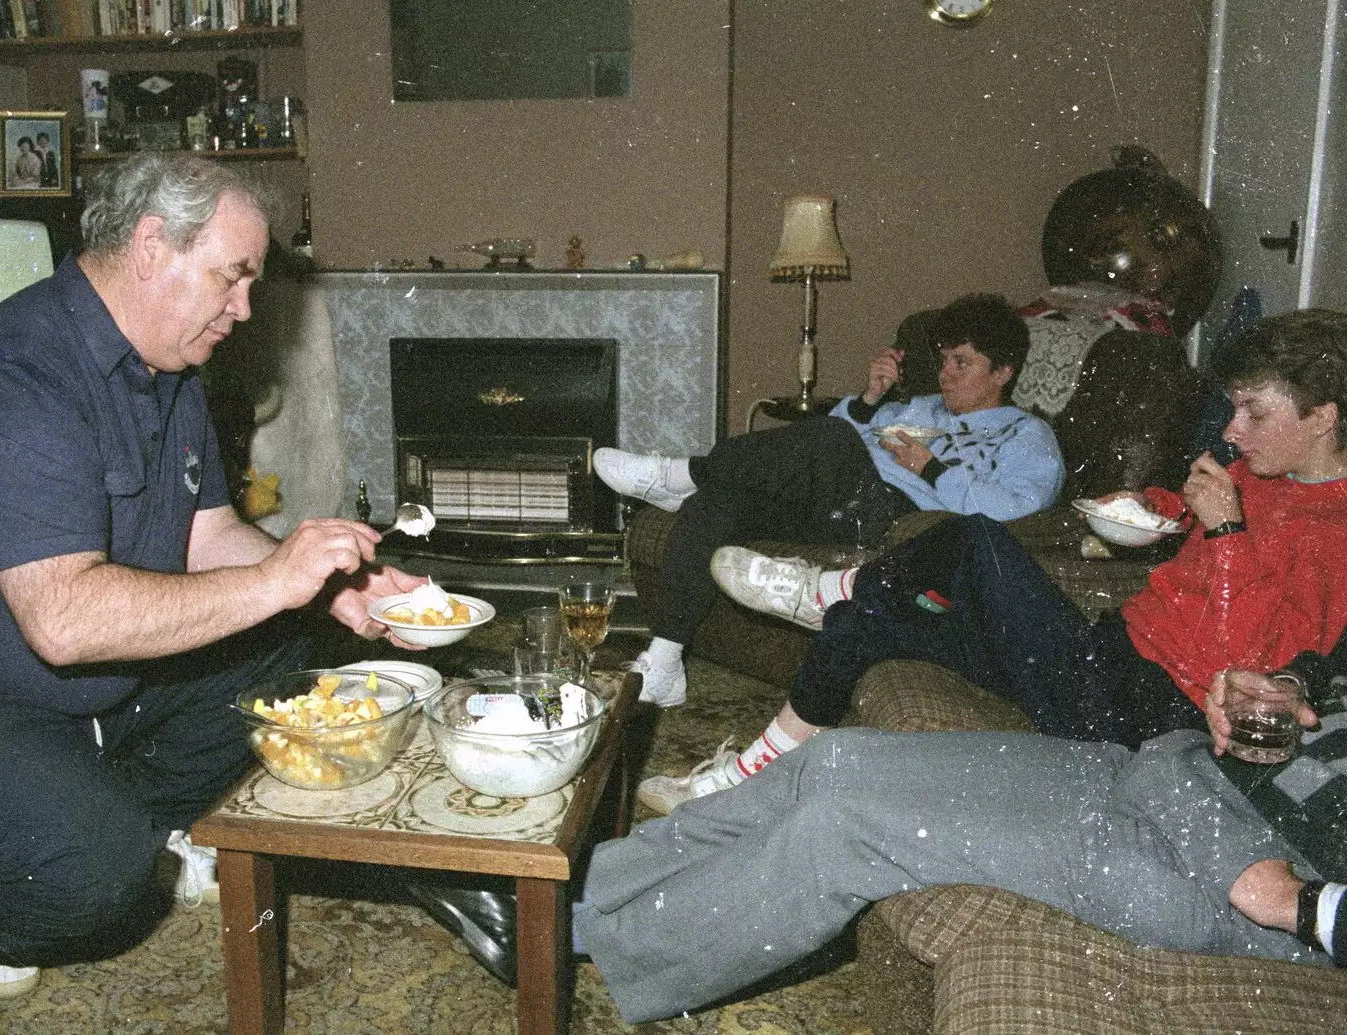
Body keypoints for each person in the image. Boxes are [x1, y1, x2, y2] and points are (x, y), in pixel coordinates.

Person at [0, 153, 431, 1001]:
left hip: (79, 693)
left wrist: (335, 589)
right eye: (232, 277)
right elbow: (64, 620)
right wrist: (278, 579)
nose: (246, 308)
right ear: (150, 247)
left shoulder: (165, 368)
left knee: (290, 655)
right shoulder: (16, 372)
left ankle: (110, 810)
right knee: (99, 874)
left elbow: (208, 535)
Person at [640, 309, 1347, 815]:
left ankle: (829, 586)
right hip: (1106, 650)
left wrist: (1225, 533)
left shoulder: (1338, 533)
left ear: (1323, 416)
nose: (1231, 430)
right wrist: (1157, 502)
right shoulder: (1262, 473)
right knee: (868, 617)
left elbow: (1248, 667)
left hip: (1142, 709)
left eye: (1254, 412)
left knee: (979, 539)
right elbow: (1196, 524)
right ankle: (743, 777)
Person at [574, 641, 1347, 1024]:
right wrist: (1289, 686)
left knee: (842, 831)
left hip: (1237, 880)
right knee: (836, 756)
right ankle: (573, 891)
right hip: (1186, 775)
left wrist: (1304, 902)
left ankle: (580, 947)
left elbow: (1280, 895)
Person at [594, 293, 1063, 708]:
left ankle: (677, 473)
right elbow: (840, 433)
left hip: (896, 519)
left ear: (1002, 371)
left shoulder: (1026, 434)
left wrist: (931, 468)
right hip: (838, 503)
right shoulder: (921, 408)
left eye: (962, 363)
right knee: (721, 501)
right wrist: (870, 397)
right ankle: (665, 662)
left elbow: (1014, 509)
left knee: (833, 440)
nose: (945, 374)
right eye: (942, 361)